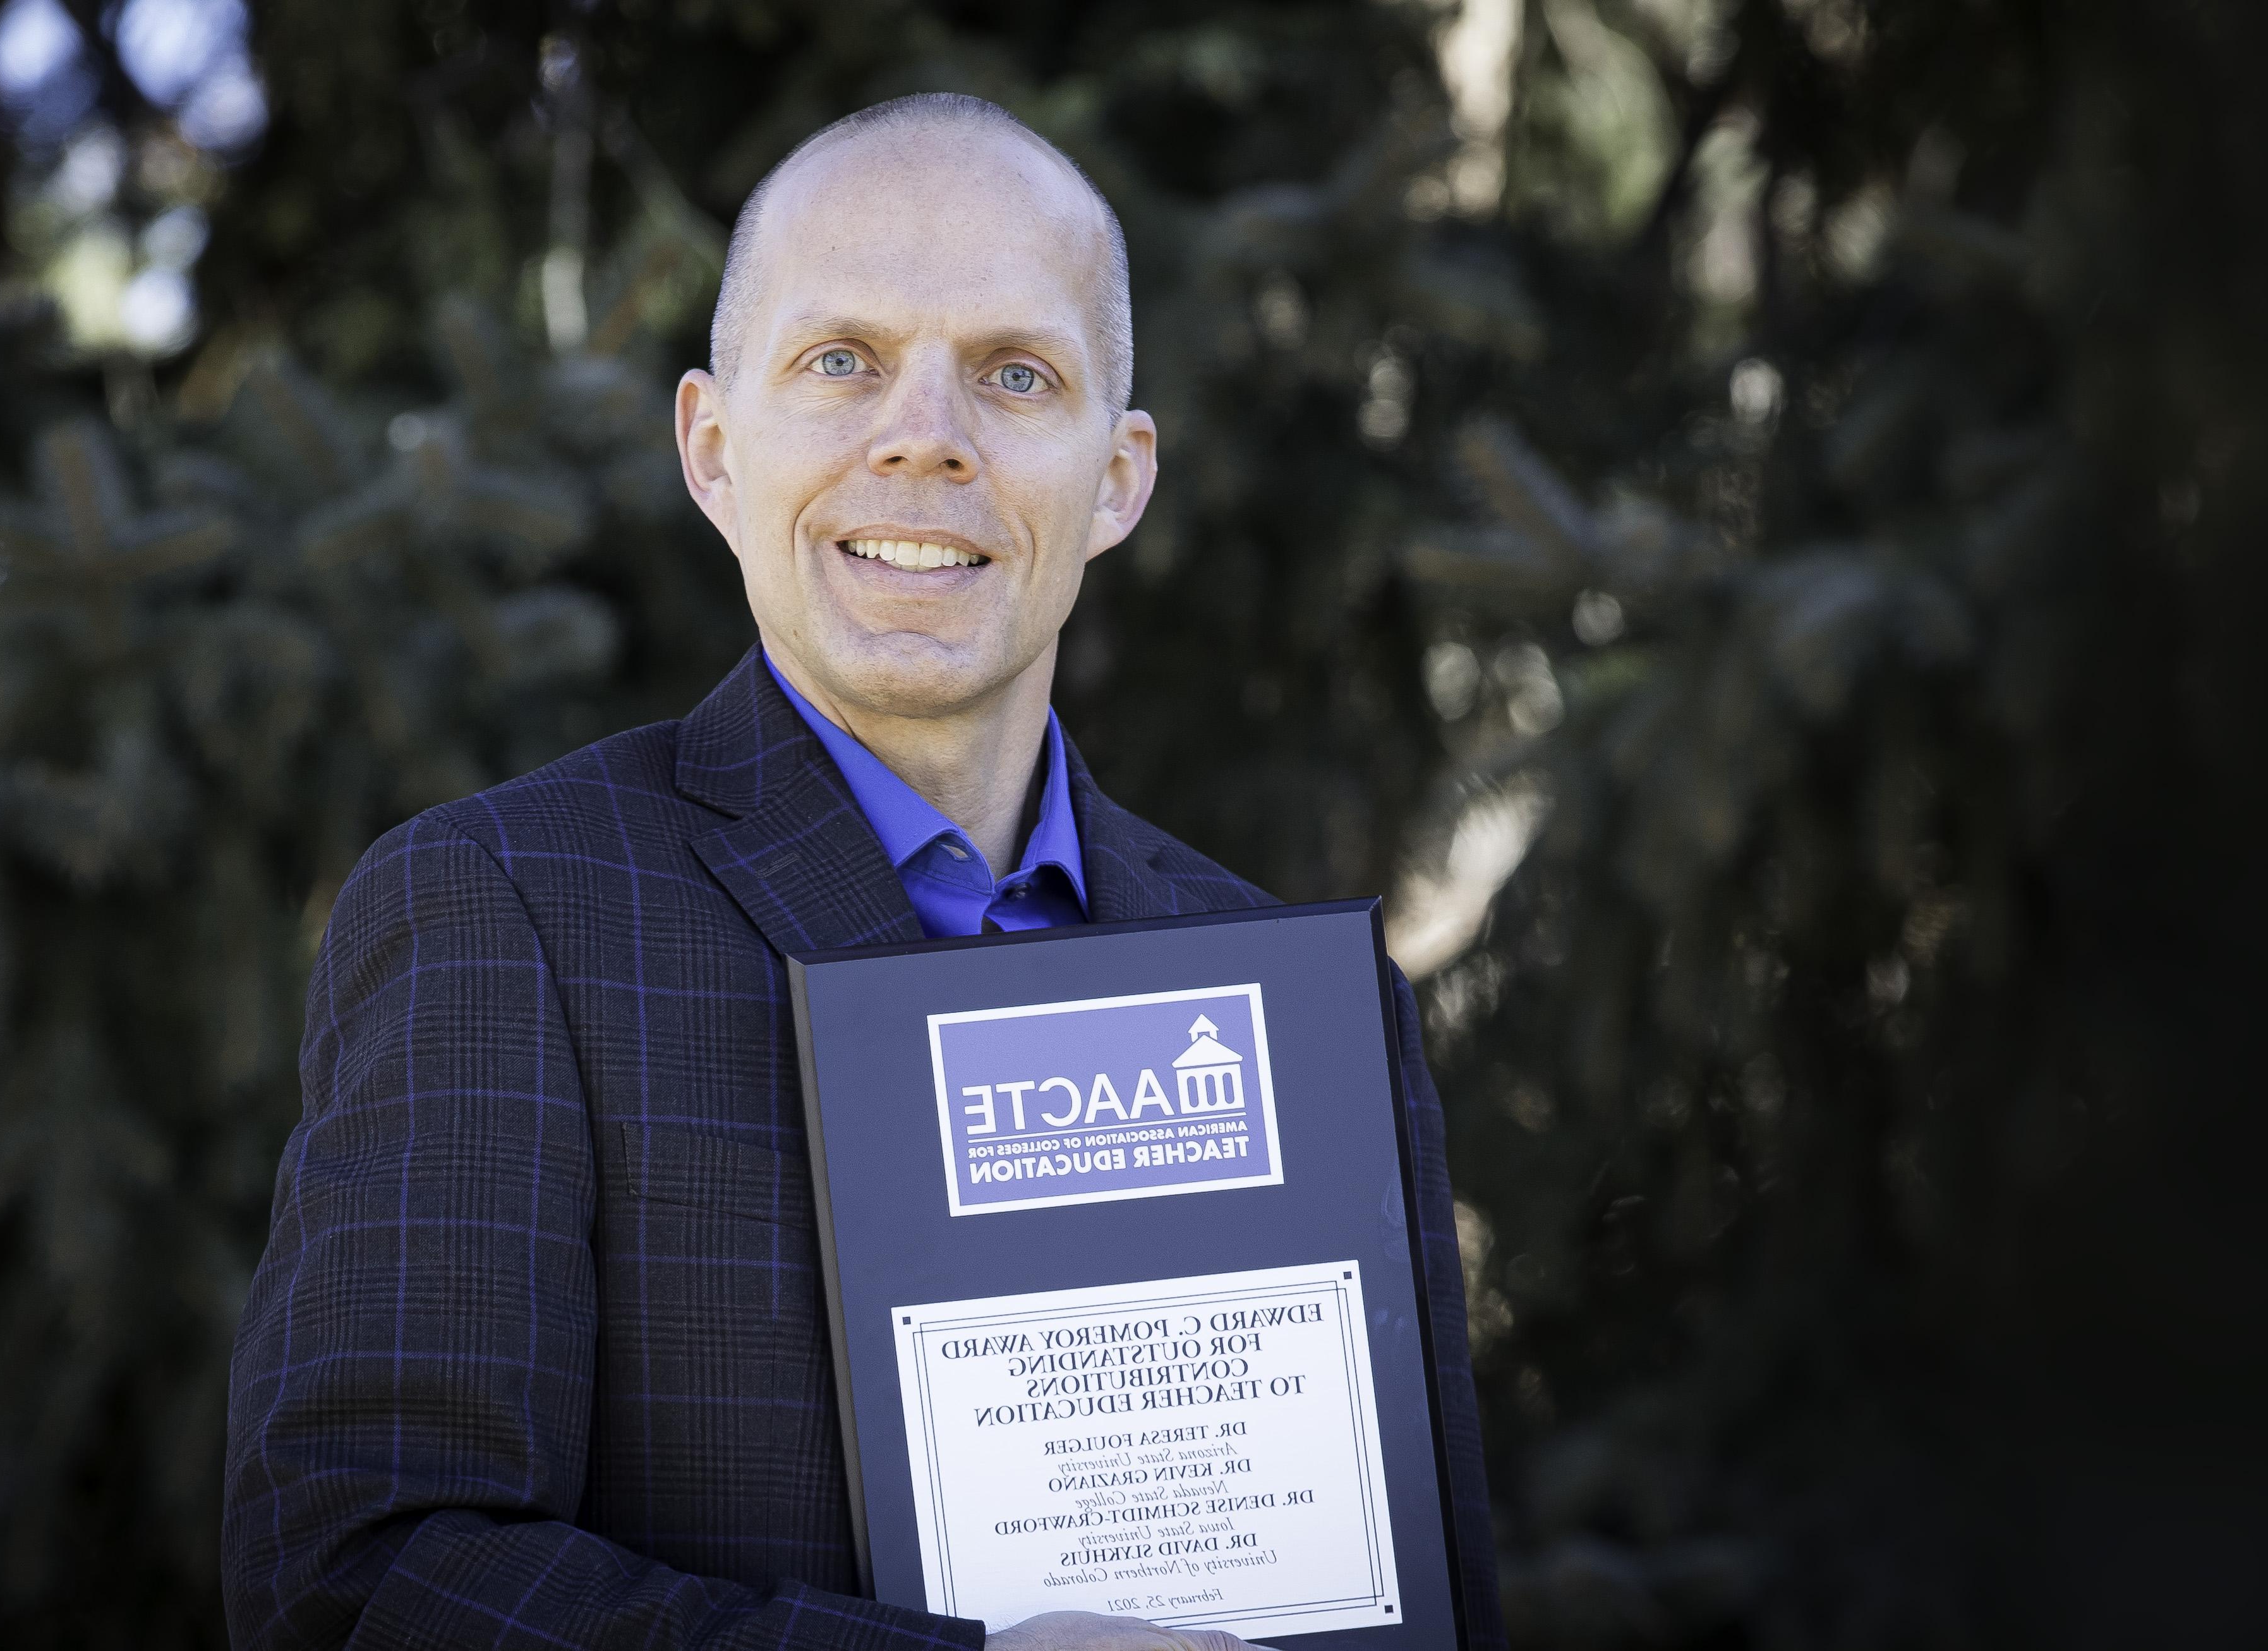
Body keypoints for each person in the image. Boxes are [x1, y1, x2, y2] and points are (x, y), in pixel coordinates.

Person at [224, 94, 1500, 1651]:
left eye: (1016, 375)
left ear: (1117, 477)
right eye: (842, 362)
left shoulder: (1303, 1005)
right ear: (711, 445)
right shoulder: (506, 910)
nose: (924, 434)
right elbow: (359, 1585)